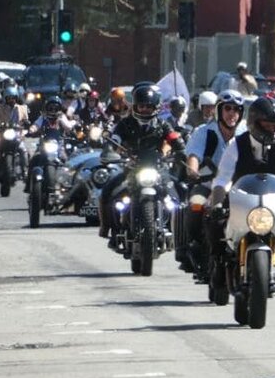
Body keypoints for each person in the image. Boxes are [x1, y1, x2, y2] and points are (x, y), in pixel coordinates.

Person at [207, 97, 275, 294]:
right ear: (254, 123)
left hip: (274, 199)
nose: (271, 129)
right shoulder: (237, 144)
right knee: (213, 221)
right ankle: (218, 263)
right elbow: (223, 179)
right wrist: (217, 203)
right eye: (266, 125)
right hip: (241, 198)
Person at [98, 82, 184, 245]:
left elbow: (174, 139)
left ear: (156, 108)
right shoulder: (125, 124)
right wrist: (109, 150)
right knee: (108, 190)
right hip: (132, 167)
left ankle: (177, 232)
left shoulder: (163, 125)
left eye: (148, 106)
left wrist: (181, 151)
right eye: (141, 106)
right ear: (135, 106)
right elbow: (114, 140)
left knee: (178, 194)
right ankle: (108, 228)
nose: (144, 109)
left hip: (158, 167)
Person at [182, 90, 246, 277]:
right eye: (227, 108)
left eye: (236, 109)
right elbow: (193, 155)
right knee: (196, 204)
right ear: (219, 110)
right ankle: (193, 245)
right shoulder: (204, 132)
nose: (231, 113)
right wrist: (192, 169)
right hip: (207, 184)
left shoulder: (245, 134)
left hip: (237, 188)